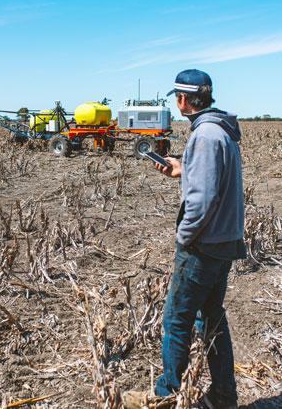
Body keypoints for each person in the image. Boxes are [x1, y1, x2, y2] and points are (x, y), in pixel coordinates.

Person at [122, 69, 246, 409]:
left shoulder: (204, 136)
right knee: (211, 318)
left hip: (203, 246)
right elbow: (212, 181)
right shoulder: (221, 129)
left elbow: (203, 201)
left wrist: (184, 237)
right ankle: (224, 397)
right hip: (224, 242)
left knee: (176, 320)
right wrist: (182, 169)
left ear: (182, 99)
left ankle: (166, 396)